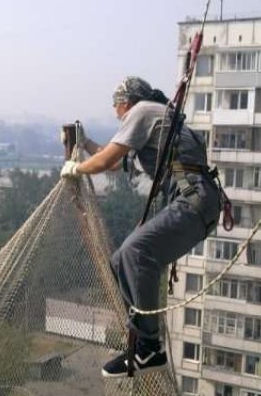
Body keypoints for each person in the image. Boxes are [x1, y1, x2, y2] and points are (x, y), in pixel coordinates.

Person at [61, 76, 221, 378]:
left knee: (137, 251)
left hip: (192, 199)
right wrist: (84, 146)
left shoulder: (143, 111)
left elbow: (109, 156)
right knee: (122, 258)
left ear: (126, 102)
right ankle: (141, 340)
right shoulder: (156, 121)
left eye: (117, 108)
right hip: (195, 201)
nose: (117, 115)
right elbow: (112, 161)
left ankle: (149, 346)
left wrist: (77, 167)